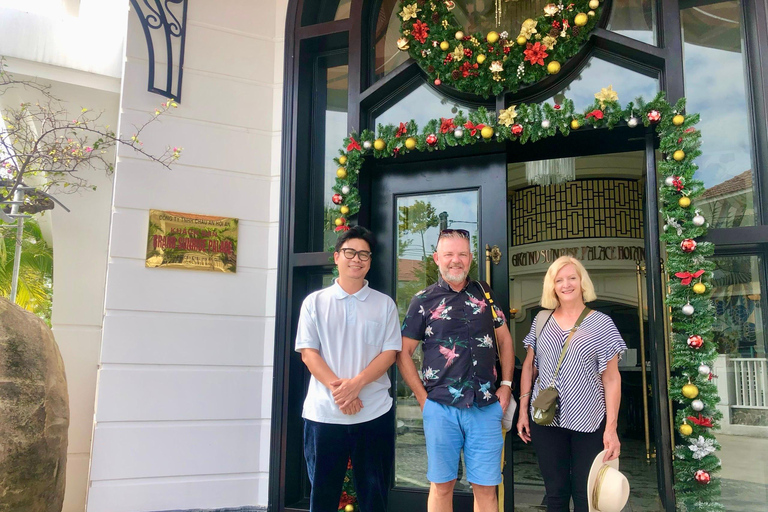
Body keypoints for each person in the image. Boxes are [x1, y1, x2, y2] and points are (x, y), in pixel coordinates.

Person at [398, 228, 515, 512]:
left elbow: (505, 340)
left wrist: (507, 385)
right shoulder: (422, 301)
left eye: (462, 254)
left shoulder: (485, 293)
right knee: (442, 486)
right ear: (437, 258)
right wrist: (422, 398)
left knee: (486, 488)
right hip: (440, 406)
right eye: (449, 254)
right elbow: (403, 353)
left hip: (485, 406)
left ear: (471, 258)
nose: (456, 260)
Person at [295, 225, 401, 512]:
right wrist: (341, 392)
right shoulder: (315, 302)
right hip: (324, 413)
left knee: (374, 493)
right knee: (323, 495)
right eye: (350, 252)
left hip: (374, 412)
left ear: (370, 261)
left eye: (364, 254)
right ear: (337, 257)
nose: (357, 259)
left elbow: (390, 353)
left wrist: (356, 386)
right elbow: (308, 353)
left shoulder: (384, 305)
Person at [516, 256, 626, 512]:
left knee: (585, 494)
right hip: (546, 419)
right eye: (559, 280)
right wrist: (523, 410)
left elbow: (611, 379)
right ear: (552, 286)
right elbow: (530, 367)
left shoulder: (601, 323)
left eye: (572, 278)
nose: (566, 285)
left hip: (588, 421)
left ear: (582, 282)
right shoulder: (541, 320)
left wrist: (611, 428)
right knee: (555, 493)